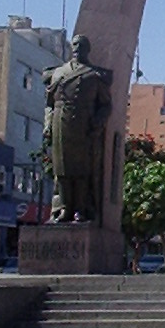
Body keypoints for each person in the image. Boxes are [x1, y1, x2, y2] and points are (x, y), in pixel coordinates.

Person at [44, 34, 112, 224]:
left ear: (87, 49)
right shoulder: (58, 73)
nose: (76, 48)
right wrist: (48, 124)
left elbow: (106, 105)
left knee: (81, 170)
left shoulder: (93, 75)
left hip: (83, 126)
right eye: (74, 45)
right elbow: (49, 104)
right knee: (62, 170)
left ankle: (80, 209)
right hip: (61, 124)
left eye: (81, 45)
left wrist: (98, 122)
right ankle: (64, 208)